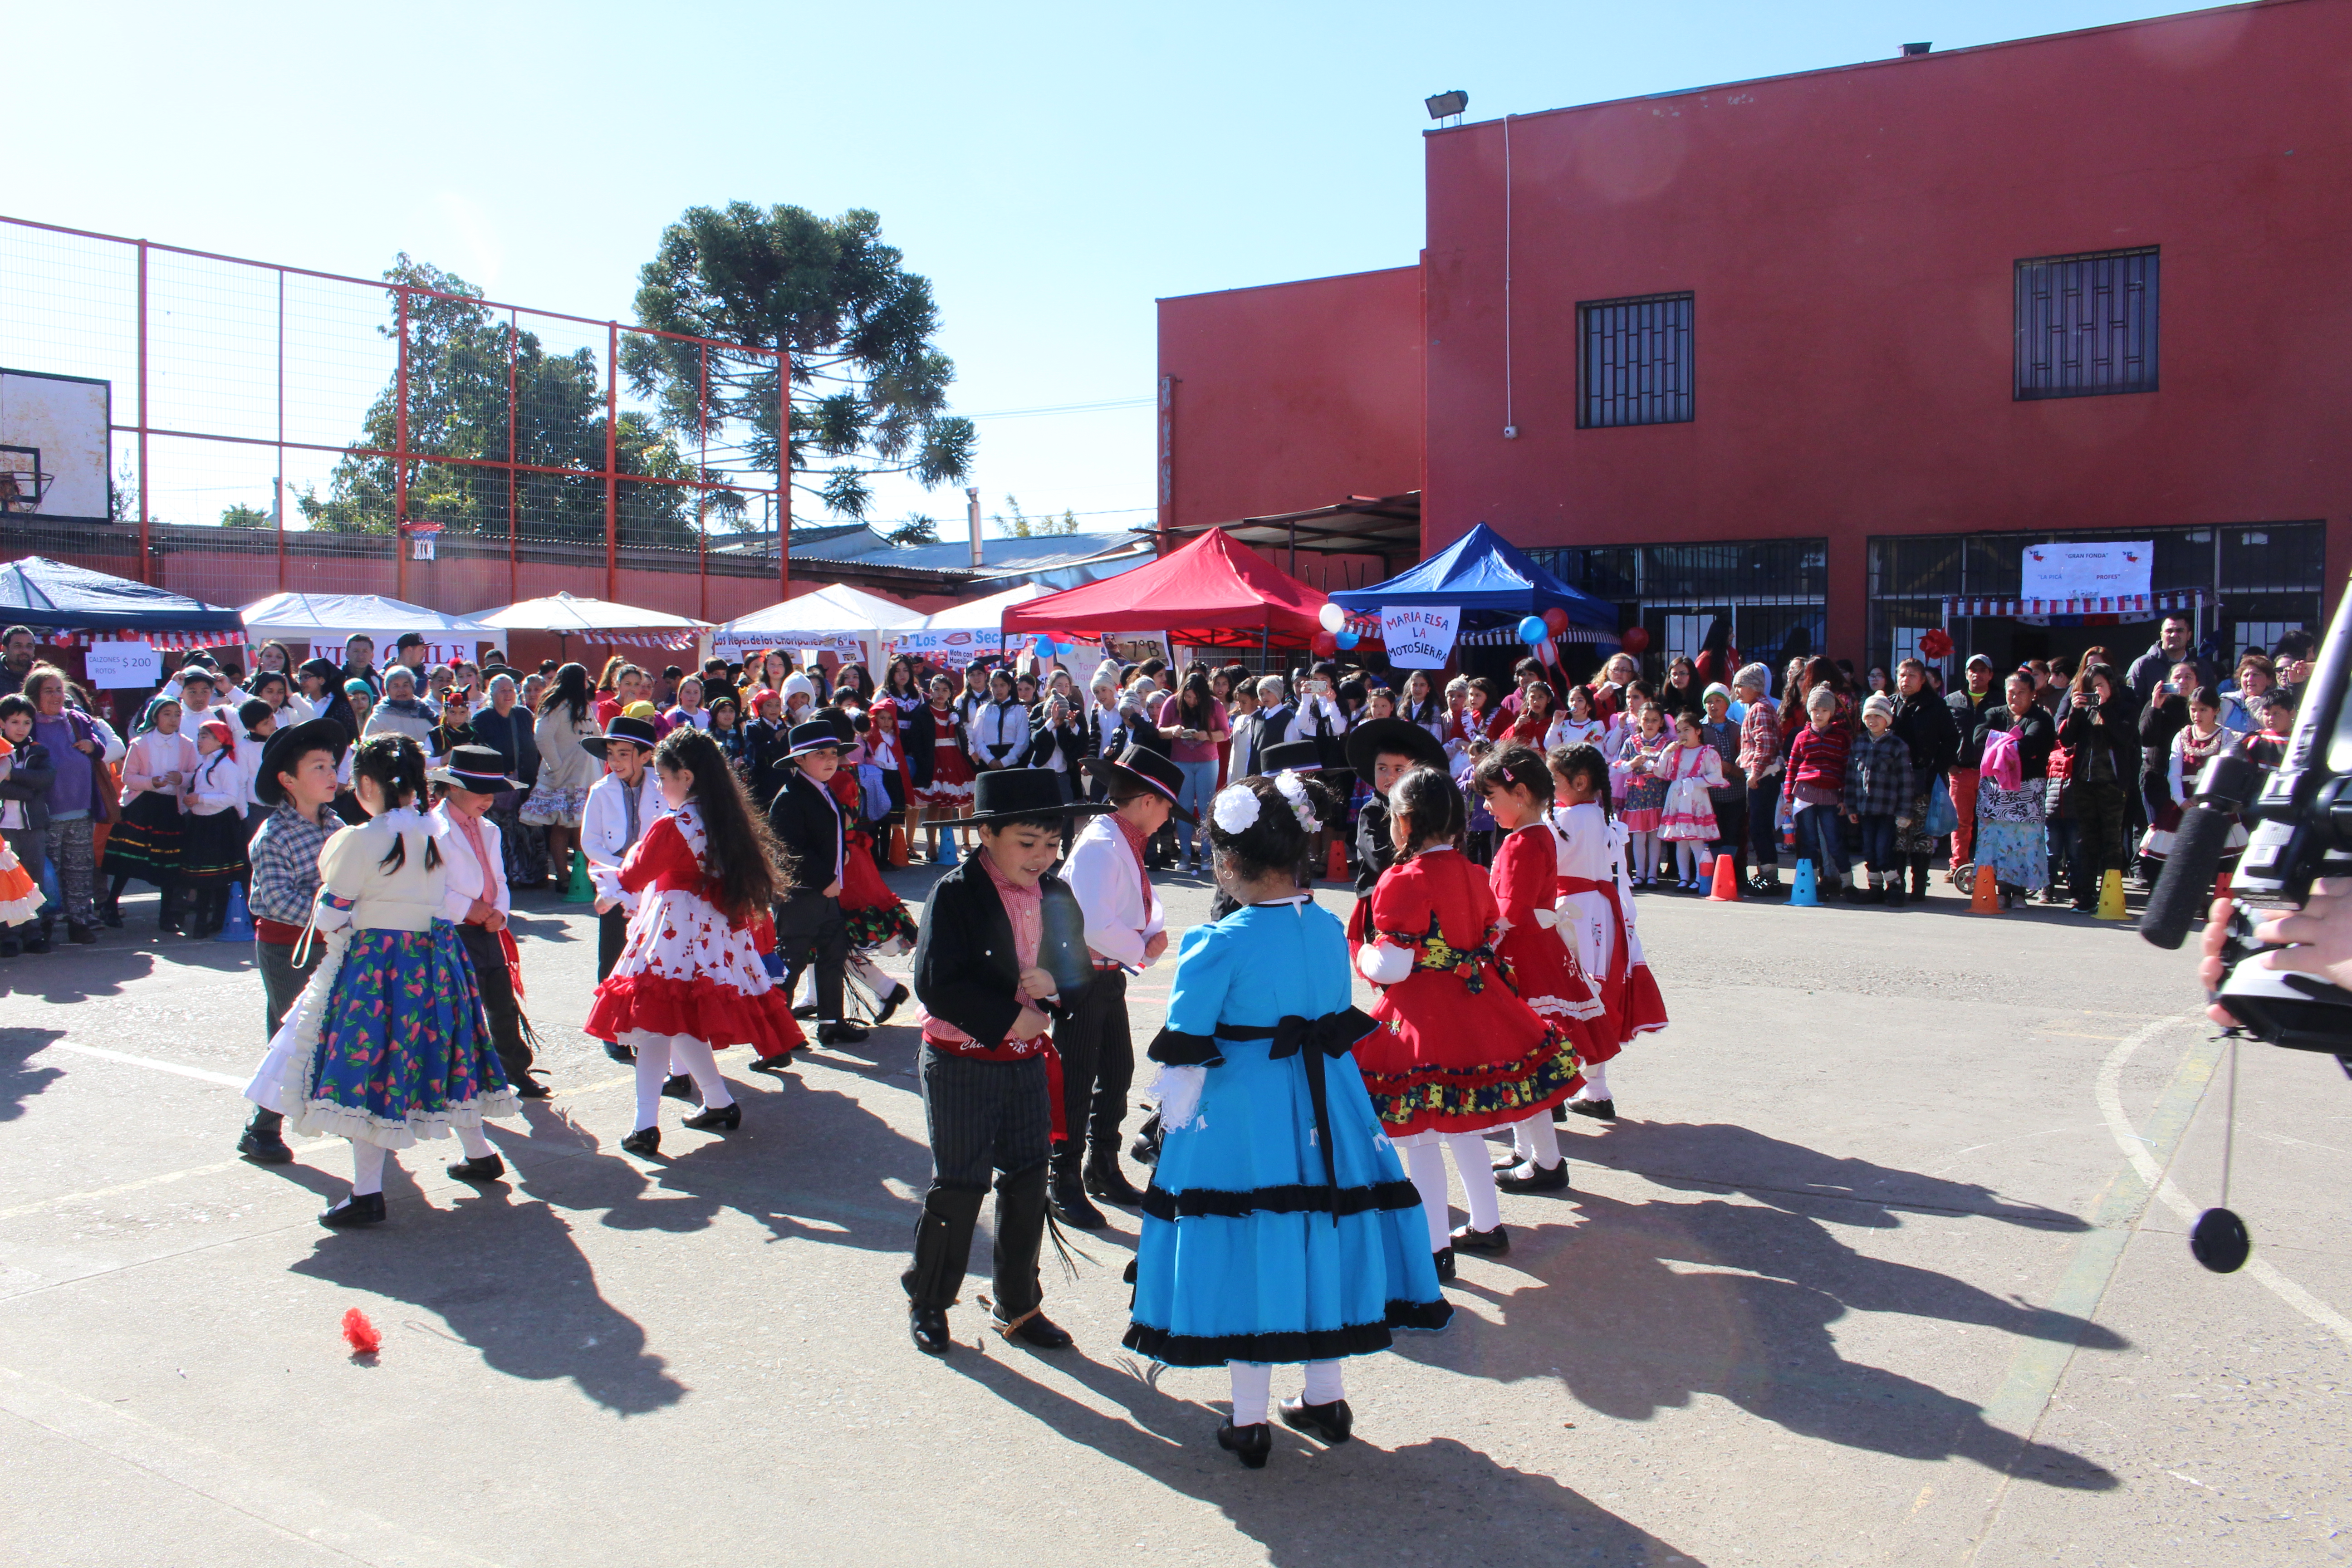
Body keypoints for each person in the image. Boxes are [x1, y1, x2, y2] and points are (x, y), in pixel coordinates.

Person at [1125, 771, 1451, 1470]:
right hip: (1328, 1105)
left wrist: (1167, 1127)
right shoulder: (1329, 928)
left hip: (1245, 1114)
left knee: (1250, 1241)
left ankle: (1249, 1421)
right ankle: (1326, 1397)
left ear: (1226, 861)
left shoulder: (1218, 943)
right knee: (1319, 1229)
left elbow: (1185, 1045)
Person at [243, 735, 519, 1227]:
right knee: (444, 1052)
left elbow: (330, 914)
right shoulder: (435, 834)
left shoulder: (361, 838)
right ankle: (479, 1154)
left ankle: (368, 1193)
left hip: (378, 964)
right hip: (436, 958)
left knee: (372, 1066)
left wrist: (350, 914)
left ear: (368, 783)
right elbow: (445, 899)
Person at [904, 768, 1107, 1357]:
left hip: (1024, 1063)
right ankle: (931, 1300)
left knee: (1025, 1181)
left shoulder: (1057, 894)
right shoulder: (957, 893)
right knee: (960, 1186)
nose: (1043, 856)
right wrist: (1004, 1019)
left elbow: (1080, 974)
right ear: (986, 834)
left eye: (1053, 843)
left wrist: (1059, 985)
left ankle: (1017, 1303)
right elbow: (936, 983)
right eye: (1028, 842)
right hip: (960, 1060)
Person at [1351, 765, 1579, 1281]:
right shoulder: (1475, 872)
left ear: (1404, 824)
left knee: (1423, 1136)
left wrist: (1364, 953)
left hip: (1422, 1020)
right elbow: (1487, 933)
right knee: (1464, 1124)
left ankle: (1433, 1248)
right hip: (1475, 1008)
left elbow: (1394, 967)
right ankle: (1486, 1224)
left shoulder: (1401, 880)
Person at [587, 729, 801, 1155]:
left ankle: (646, 1125)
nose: (660, 785)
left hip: (674, 930)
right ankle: (716, 1102)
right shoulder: (723, 819)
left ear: (685, 777)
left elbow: (632, 874)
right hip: (710, 929)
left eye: (663, 777)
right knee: (678, 1021)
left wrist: (608, 888)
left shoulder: (677, 824)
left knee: (654, 1025)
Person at [1054, 743, 1181, 1228]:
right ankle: (1062, 1175)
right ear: (1148, 800)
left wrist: (1148, 931)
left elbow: (1123, 906)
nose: (1169, 816)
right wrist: (1142, 947)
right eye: (1168, 804)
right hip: (1084, 976)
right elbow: (1090, 923)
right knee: (1077, 1077)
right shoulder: (1102, 842)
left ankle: (1100, 1165)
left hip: (1105, 976)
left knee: (1116, 1069)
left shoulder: (1118, 838)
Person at [1471, 745, 1606, 1191]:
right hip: (1540, 953)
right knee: (1521, 1061)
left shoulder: (1522, 842)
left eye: (1492, 796)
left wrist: (1479, 942)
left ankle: (1546, 1161)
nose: (1487, 807)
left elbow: (1510, 910)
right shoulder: (1541, 834)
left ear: (1522, 793)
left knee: (1520, 1064)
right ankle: (1528, 1152)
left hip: (1521, 962)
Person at [234, 718, 350, 1164]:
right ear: (288, 780)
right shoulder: (273, 835)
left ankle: (348, 1117)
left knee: (332, 1027)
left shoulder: (334, 821)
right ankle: (263, 1128)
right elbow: (277, 899)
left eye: (332, 765)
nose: (330, 775)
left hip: (335, 940)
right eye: (318, 767)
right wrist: (334, 910)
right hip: (289, 948)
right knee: (295, 1033)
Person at [1547, 742, 1666, 1118]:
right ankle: (1596, 1089)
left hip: (1573, 914)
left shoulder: (1566, 821)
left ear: (1580, 782)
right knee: (1594, 997)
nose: (1550, 787)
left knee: (1563, 997)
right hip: (1600, 913)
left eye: (1554, 779)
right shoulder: (1597, 815)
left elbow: (1543, 857)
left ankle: (1556, 1087)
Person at [429, 746, 547, 1100]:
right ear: (452, 788)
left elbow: (499, 878)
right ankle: (460, 1076)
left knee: (502, 1003)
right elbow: (430, 885)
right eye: (479, 790)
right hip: (453, 930)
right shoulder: (432, 829)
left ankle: (514, 1068)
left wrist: (499, 911)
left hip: (487, 928)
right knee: (458, 1008)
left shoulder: (489, 828)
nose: (488, 798)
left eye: (491, 790)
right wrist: (468, 908)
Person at [768, 719, 865, 1049]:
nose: (830, 760)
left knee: (832, 955)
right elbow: (791, 850)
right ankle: (777, 1032)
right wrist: (825, 879)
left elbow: (828, 835)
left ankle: (831, 1024)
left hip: (826, 894)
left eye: (833, 753)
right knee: (791, 961)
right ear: (798, 760)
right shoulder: (790, 797)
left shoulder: (824, 790)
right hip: (801, 896)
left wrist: (844, 856)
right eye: (820, 754)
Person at [581, 714, 668, 1062]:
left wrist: (647, 869)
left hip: (654, 878)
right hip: (615, 879)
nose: (615, 762)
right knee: (614, 951)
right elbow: (591, 843)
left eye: (623, 754)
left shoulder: (662, 785)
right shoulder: (600, 791)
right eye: (611, 754)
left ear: (646, 756)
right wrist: (624, 871)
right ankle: (612, 1028)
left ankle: (649, 1024)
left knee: (652, 954)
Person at [24, 668, 115, 943]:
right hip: (45, 815)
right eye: (48, 691)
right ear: (34, 696)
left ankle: (79, 922)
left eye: (59, 690)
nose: (55, 696)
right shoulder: (29, 724)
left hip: (81, 812)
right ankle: (45, 925)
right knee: (48, 874)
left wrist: (92, 744)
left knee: (80, 870)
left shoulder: (76, 720)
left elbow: (101, 747)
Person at [105, 695, 194, 931]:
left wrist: (182, 779)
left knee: (168, 862)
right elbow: (128, 777)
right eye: (167, 714)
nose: (173, 719)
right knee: (128, 857)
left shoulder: (186, 745)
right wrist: (150, 782)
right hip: (142, 805)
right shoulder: (140, 744)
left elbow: (194, 774)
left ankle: (167, 916)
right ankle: (110, 905)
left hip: (169, 808)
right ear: (155, 717)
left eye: (177, 714)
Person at [1969, 672, 2058, 909]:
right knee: (1996, 840)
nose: (2015, 697)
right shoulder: (1994, 713)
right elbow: (1979, 738)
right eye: (2011, 692)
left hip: (2027, 791)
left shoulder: (2041, 718)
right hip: (1995, 791)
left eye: (2021, 693)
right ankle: (1999, 889)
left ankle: (2019, 892)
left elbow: (2032, 744)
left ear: (2033, 694)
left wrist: (1998, 743)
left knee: (2023, 841)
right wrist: (2010, 742)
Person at [1345, 715, 1449, 903]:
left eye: (1399, 770)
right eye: (1382, 768)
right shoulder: (1372, 812)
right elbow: (1378, 859)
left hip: (1420, 891)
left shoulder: (1422, 809)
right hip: (1381, 896)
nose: (1389, 777)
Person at [2058, 660, 2135, 912]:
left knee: (2112, 841)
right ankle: (2086, 895)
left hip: (2112, 783)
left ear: (2111, 685)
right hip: (2084, 782)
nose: (2096, 693)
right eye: (2091, 689)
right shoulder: (2081, 707)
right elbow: (2066, 738)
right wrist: (2076, 710)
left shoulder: (2124, 703)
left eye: (2100, 687)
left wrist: (2106, 708)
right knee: (2086, 841)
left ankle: (2111, 896)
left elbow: (2125, 736)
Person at [522, 662, 600, 886]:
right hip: (562, 778)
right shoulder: (554, 706)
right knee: (561, 827)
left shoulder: (584, 707)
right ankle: (563, 877)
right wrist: (557, 766)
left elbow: (596, 735)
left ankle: (582, 876)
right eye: (584, 679)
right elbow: (542, 738)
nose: (587, 684)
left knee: (581, 828)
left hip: (586, 776)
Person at [1886, 658, 1957, 901]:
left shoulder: (1935, 706)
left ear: (1923, 680)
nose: (1905, 680)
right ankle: (1896, 885)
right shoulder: (1890, 704)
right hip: (1894, 782)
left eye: (1912, 676)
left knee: (1920, 837)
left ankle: (1919, 887)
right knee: (1896, 835)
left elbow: (1950, 741)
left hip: (1923, 777)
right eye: (1902, 675)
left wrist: (1935, 770)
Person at [1843, 694, 1916, 905]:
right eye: (1869, 716)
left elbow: (1907, 781)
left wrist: (1905, 812)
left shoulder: (1897, 746)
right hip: (1866, 810)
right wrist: (1850, 807)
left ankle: (1895, 886)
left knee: (1884, 850)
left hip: (1887, 810)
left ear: (1887, 719)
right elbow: (1851, 777)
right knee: (1869, 852)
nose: (1872, 721)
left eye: (1878, 716)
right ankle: (1874, 887)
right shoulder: (1859, 744)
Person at [1154, 668, 1229, 873]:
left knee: (1206, 807)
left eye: (1196, 698)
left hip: (1208, 761)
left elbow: (1226, 733)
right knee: (1184, 807)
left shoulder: (1214, 705)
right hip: (1181, 762)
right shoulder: (1172, 702)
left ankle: (1207, 854)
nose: (1191, 701)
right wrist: (1173, 731)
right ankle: (1186, 854)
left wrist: (1208, 736)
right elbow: (1160, 731)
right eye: (1188, 696)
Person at [1782, 685, 1853, 897]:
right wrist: (1788, 797)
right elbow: (1792, 768)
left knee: (1834, 840)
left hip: (1831, 795)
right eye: (1815, 710)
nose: (1819, 714)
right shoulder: (1801, 737)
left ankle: (1847, 884)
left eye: (1824, 710)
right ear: (1809, 712)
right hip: (1805, 795)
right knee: (1809, 841)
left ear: (1831, 713)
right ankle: (1810, 884)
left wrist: (1845, 798)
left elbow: (1847, 769)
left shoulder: (1841, 737)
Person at [0, 695, 52, 956]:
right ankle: (8, 936)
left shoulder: (38, 751)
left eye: (27, 722)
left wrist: (11, 774)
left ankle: (34, 932)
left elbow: (45, 779)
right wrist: (26, 789)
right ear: (2, 723)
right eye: (14, 722)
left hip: (33, 827)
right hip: (4, 829)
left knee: (33, 881)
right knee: (7, 883)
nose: (21, 728)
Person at [908, 672, 975, 860]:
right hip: (932, 758)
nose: (940, 693)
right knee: (935, 803)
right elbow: (917, 740)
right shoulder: (923, 713)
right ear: (930, 691)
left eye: (945, 690)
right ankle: (931, 847)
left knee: (949, 803)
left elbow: (961, 737)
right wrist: (923, 762)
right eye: (937, 689)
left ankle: (947, 846)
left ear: (951, 693)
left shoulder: (954, 712)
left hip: (953, 757)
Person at [1732, 664, 1783, 895]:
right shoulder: (1756, 707)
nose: (1736, 691)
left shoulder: (1760, 709)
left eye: (1740, 686)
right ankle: (1766, 874)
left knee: (1760, 827)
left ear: (1754, 687)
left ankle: (1769, 878)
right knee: (1759, 826)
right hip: (1761, 774)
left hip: (1763, 776)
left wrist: (1755, 772)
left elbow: (1766, 744)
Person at [1612, 702, 1672, 887]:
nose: (1650, 724)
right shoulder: (1631, 741)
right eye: (1646, 719)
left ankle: (1653, 874)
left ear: (1661, 722)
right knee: (1638, 836)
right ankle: (1640, 873)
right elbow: (1619, 766)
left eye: (1655, 720)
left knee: (1655, 835)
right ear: (1640, 720)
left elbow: (1672, 768)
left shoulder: (1666, 743)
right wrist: (1633, 764)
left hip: (1657, 793)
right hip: (1637, 795)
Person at [363, 666, 436, 746]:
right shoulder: (379, 718)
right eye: (396, 686)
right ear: (388, 690)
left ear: (413, 688)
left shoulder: (425, 712)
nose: (401, 690)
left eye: (406, 685)